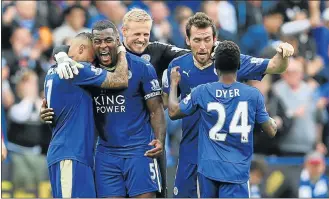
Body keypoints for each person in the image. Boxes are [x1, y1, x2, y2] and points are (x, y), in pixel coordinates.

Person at [162, 12, 293, 198]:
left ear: (215, 39)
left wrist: (284, 52)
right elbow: (166, 105)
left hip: (224, 157)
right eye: (197, 40)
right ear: (187, 40)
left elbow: (275, 66)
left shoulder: (231, 60)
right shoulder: (177, 65)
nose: (202, 46)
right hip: (191, 153)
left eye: (207, 39)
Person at [44, 20, 166, 198]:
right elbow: (66, 51)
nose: (103, 46)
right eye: (98, 41)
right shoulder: (88, 69)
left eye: (108, 40)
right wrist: (48, 108)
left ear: (118, 40)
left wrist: (160, 138)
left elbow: (156, 109)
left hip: (139, 150)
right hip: (105, 155)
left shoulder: (141, 67)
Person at [44, 32, 128, 198]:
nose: (94, 62)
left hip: (69, 153)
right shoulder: (77, 69)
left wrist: (60, 53)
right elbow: (120, 79)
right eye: (92, 58)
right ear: (82, 49)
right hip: (71, 154)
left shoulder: (53, 71)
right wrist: (121, 50)